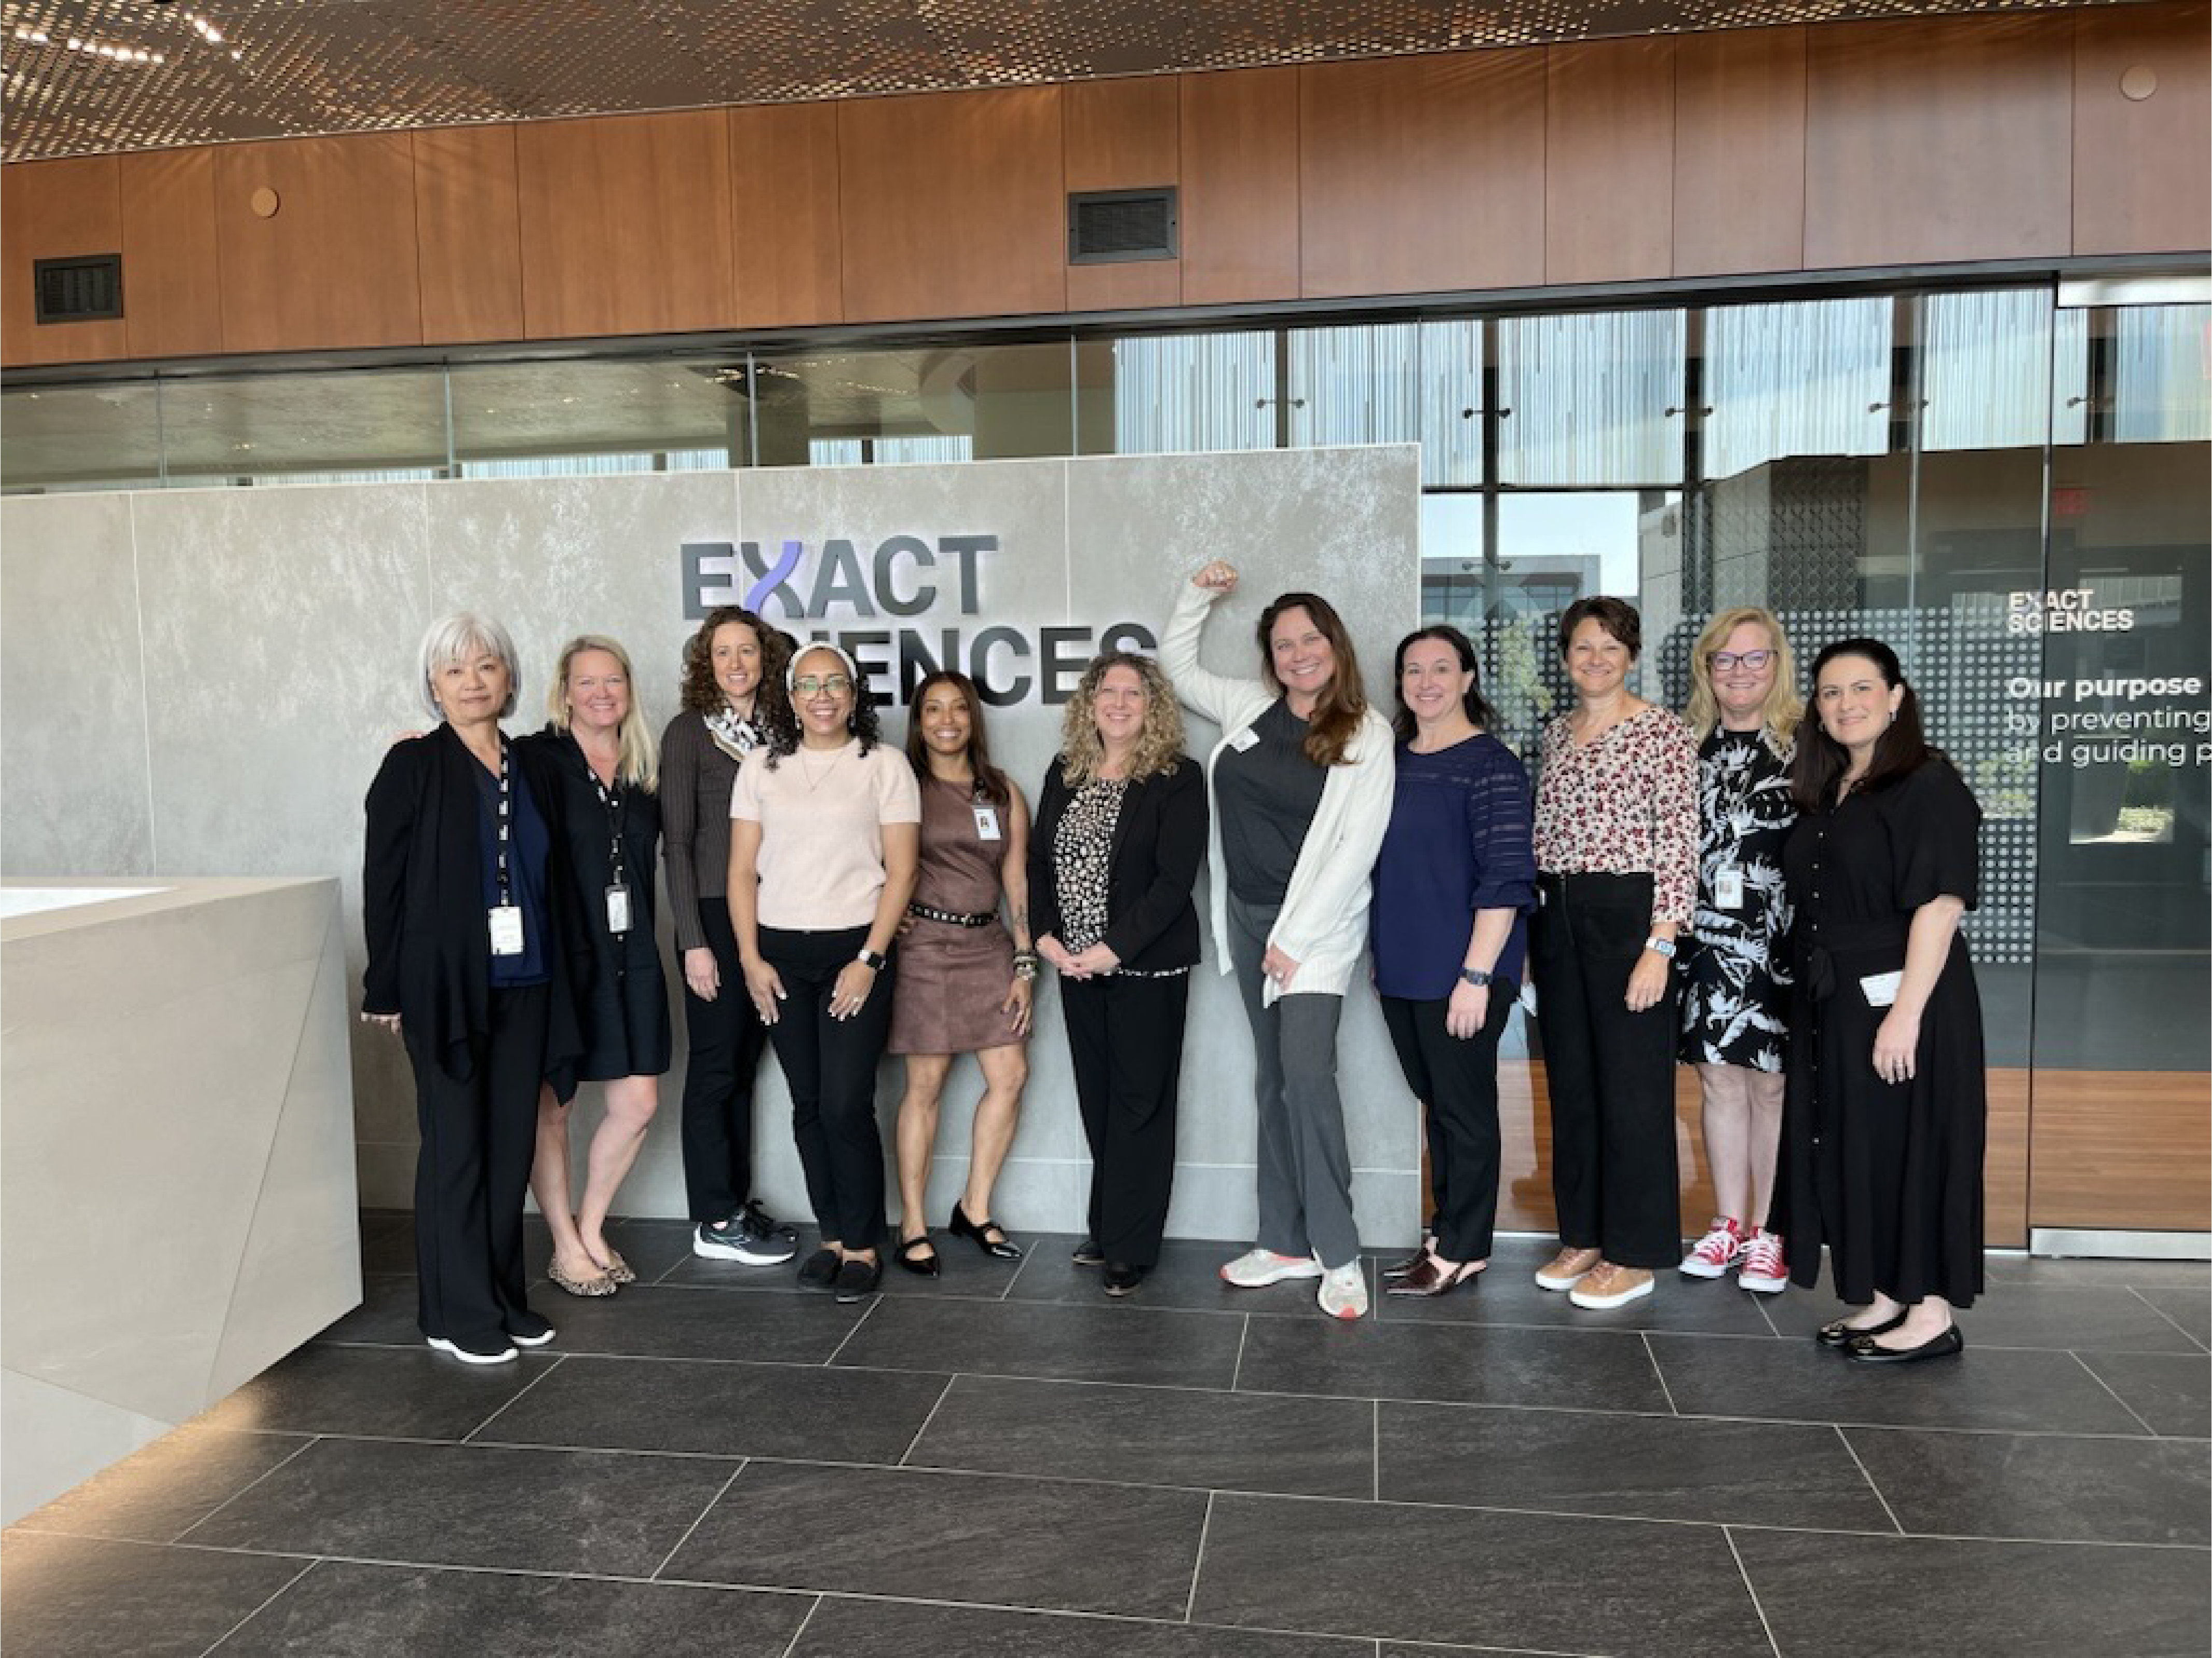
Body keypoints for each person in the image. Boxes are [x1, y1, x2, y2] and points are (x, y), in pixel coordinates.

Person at [1161, 563, 1395, 1322]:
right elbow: (1177, 667)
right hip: (1246, 917)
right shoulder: (1250, 706)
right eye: (1284, 643)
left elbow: (1355, 850)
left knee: (1309, 1081)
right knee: (1273, 1082)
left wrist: (1295, 940)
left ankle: (1339, 1251)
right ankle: (1285, 1240)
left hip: (1317, 935)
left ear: (1335, 645)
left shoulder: (1368, 733)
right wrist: (1198, 595)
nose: (1298, 654)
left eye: (1311, 639)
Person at [361, 612, 584, 1364]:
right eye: (454, 671)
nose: (472, 682)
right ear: (434, 686)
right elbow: (383, 883)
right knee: (457, 1146)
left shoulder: (536, 768)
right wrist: (384, 986)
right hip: (444, 986)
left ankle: (496, 1297)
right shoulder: (412, 766)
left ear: (511, 679)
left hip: (528, 981)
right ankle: (458, 1313)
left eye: (486, 667)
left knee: (507, 1148)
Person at [1782, 637, 1985, 1363]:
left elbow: (1940, 905)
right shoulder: (1835, 787)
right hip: (1839, 1001)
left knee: (1916, 1146)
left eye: (1862, 688)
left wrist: (1906, 1015)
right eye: (1831, 692)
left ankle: (1931, 1313)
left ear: (1896, 697)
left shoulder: (1926, 783)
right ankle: (1887, 1296)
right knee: (1866, 1150)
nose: (1845, 704)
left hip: (1909, 1001)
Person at [730, 642, 920, 1303]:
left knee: (845, 1101)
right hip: (779, 955)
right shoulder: (760, 766)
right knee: (808, 1102)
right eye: (808, 683)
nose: (821, 694)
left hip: (854, 952)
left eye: (834, 682)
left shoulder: (884, 765)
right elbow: (739, 871)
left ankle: (866, 1242)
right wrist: (751, 959)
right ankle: (833, 1235)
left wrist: (868, 959)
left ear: (852, 693)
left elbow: (902, 871)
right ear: (789, 696)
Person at [1529, 596, 1697, 1310]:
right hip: (1558, 914)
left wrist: (1661, 943)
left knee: (1633, 1090)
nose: (1595, 659)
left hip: (1631, 918)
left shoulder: (1663, 733)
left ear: (1632, 654)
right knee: (1574, 1084)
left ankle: (1635, 1252)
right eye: (1582, 647)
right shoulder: (1555, 733)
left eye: (1610, 646)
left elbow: (1682, 841)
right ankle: (1586, 1234)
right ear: (1565, 657)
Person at [1031, 652, 1207, 1298]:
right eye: (1109, 691)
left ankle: (1132, 1245)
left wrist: (1112, 947)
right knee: (1098, 1095)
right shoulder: (1066, 770)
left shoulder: (1176, 777)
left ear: (1153, 705)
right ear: (1090, 701)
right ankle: (1107, 1225)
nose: (1120, 702)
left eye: (1134, 692)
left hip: (1144, 965)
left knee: (1141, 1102)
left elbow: (1171, 881)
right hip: (1072, 966)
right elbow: (1038, 858)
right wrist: (1044, 932)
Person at [1370, 626, 1535, 1298]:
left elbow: (1505, 878)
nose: (1427, 682)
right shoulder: (1390, 758)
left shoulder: (1491, 764)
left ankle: (1467, 1247)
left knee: (1464, 1110)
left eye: (1442, 668)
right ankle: (1446, 1231)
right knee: (1437, 1103)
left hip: (1462, 972)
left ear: (1468, 678)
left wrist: (1475, 977)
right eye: (1414, 670)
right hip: (1403, 966)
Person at [517, 636, 672, 1297]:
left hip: (632, 952)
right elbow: (465, 772)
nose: (601, 693)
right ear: (564, 690)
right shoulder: (533, 757)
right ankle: (562, 1242)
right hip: (560, 956)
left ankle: (590, 1226)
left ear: (628, 690)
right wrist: (416, 753)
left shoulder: (644, 769)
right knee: (552, 1106)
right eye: (587, 682)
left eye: (613, 681)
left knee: (637, 1100)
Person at [660, 607, 798, 1268]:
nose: (736, 663)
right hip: (714, 915)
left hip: (776, 911)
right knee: (715, 1066)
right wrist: (692, 940)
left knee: (745, 1064)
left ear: (764, 658)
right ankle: (712, 1215)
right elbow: (677, 842)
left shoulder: (785, 728)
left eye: (747, 650)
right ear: (705, 663)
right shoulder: (689, 732)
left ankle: (735, 1202)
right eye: (722, 652)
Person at [888, 669, 1037, 1276]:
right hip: (923, 946)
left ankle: (973, 1205)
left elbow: (1016, 881)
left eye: (958, 709)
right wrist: (884, 914)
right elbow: (866, 856)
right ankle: (913, 1220)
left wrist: (1024, 963)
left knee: (1010, 1073)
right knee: (925, 1087)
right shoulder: (900, 784)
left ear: (973, 718)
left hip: (988, 944)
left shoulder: (1001, 791)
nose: (946, 719)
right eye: (932, 709)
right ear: (918, 721)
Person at [1676, 609, 1800, 1294]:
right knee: (1719, 1079)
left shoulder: (1808, 745)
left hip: (1781, 940)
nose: (1741, 671)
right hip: (1707, 941)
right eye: (1725, 660)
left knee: (1773, 1086)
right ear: (1707, 670)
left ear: (1777, 664)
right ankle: (1730, 1224)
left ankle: (1771, 1233)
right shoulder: (1686, 745)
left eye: (1755, 658)